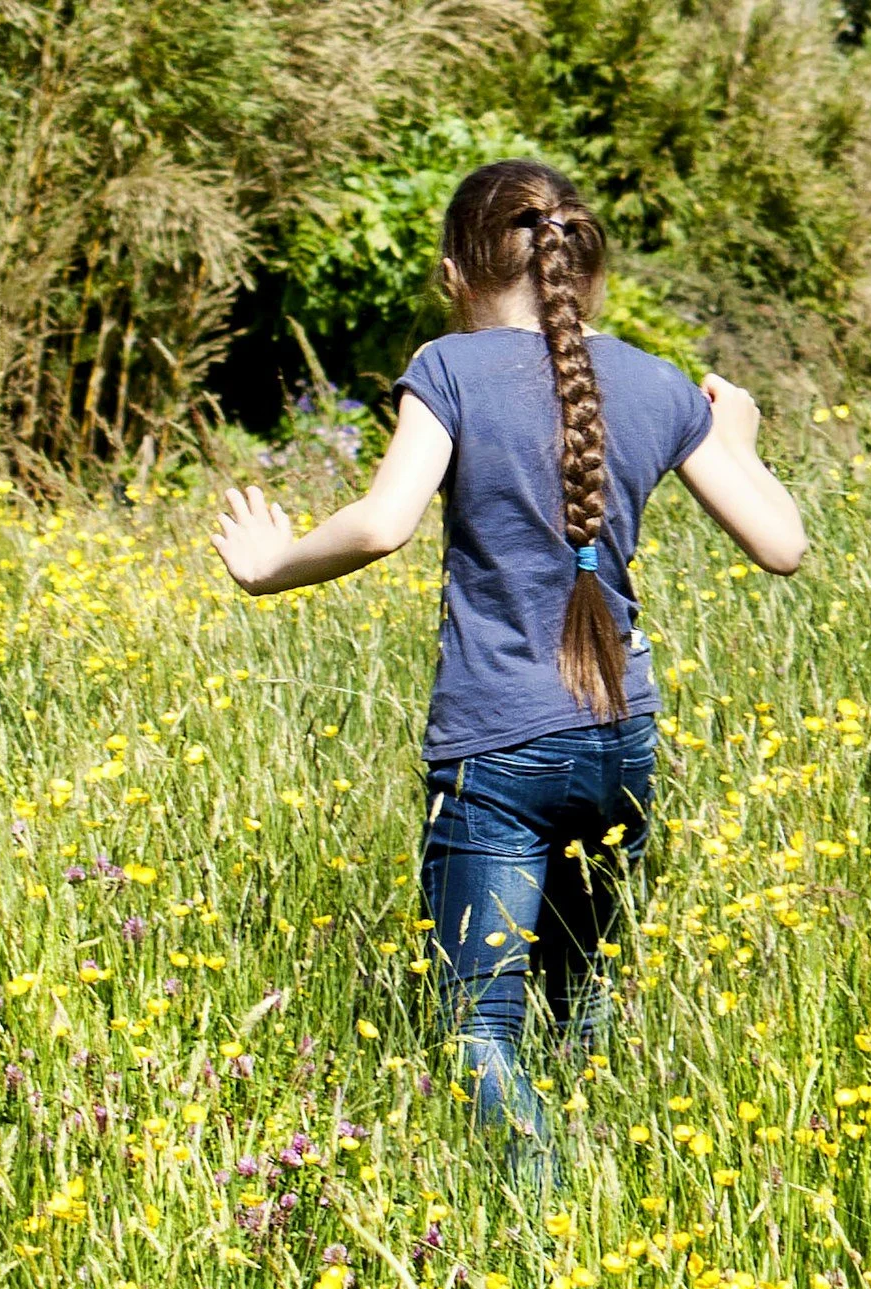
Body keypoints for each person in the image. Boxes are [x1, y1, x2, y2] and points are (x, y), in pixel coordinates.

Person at [209, 160, 805, 1189]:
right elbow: (783, 543)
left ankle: (546, 1213)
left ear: (455, 273)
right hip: (620, 738)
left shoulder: (448, 369)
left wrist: (270, 566)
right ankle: (611, 1197)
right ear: (587, 273)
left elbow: (385, 522)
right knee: (582, 994)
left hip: (498, 742)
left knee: (478, 1028)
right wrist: (739, 440)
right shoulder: (660, 382)